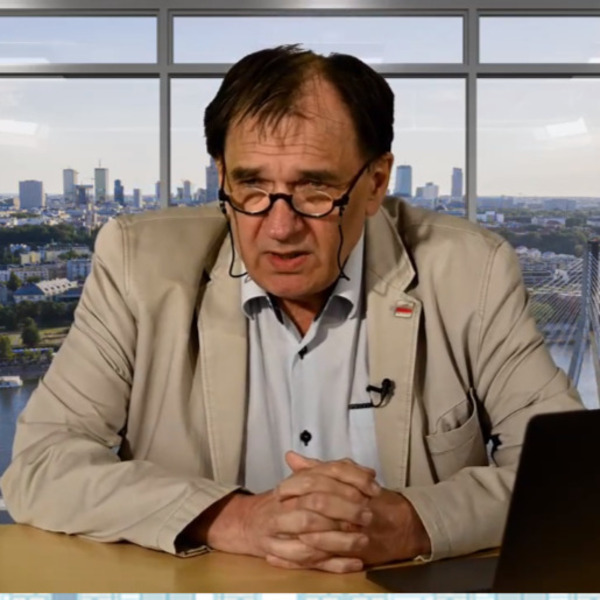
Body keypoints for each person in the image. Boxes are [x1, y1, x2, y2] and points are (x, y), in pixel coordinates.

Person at [0, 45, 582, 574]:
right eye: (251, 188)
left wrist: (411, 522)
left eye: (315, 190)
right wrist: (235, 518)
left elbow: (572, 479)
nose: (279, 228)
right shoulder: (138, 264)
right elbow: (40, 466)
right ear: (222, 177)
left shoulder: (473, 271)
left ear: (376, 182)